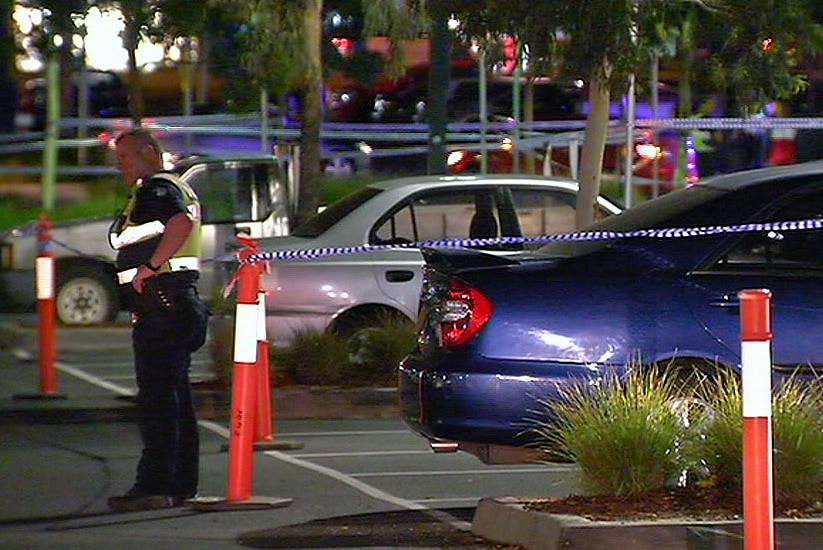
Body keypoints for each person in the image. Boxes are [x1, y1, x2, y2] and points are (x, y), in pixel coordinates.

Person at [107, 127, 210, 512]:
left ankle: (154, 486)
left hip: (162, 305)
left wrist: (149, 268)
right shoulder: (176, 186)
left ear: (149, 151)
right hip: (175, 304)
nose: (122, 167)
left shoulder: (157, 188)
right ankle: (180, 484)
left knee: (157, 402)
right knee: (175, 397)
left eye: (126, 158)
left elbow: (179, 224)